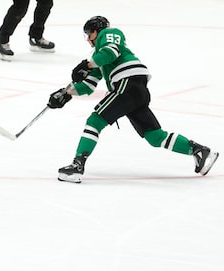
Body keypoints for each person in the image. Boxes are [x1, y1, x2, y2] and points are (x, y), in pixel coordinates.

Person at [47, 16, 219, 183]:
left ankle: (77, 165)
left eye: (88, 34)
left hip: (128, 83)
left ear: (96, 31)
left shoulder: (109, 33)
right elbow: (89, 85)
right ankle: (198, 150)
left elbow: (110, 52)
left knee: (95, 121)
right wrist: (66, 93)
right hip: (136, 91)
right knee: (155, 136)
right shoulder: (97, 58)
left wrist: (86, 64)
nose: (87, 40)